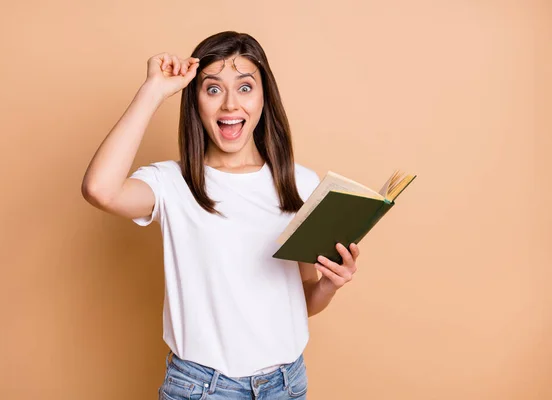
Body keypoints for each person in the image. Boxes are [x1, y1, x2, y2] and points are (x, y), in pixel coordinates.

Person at [81, 31, 360, 400]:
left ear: (264, 98)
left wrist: (328, 285)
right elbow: (100, 190)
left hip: (286, 385)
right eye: (213, 89)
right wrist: (153, 90)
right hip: (202, 389)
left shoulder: (300, 184)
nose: (230, 104)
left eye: (245, 87)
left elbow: (304, 299)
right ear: (195, 100)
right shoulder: (171, 183)